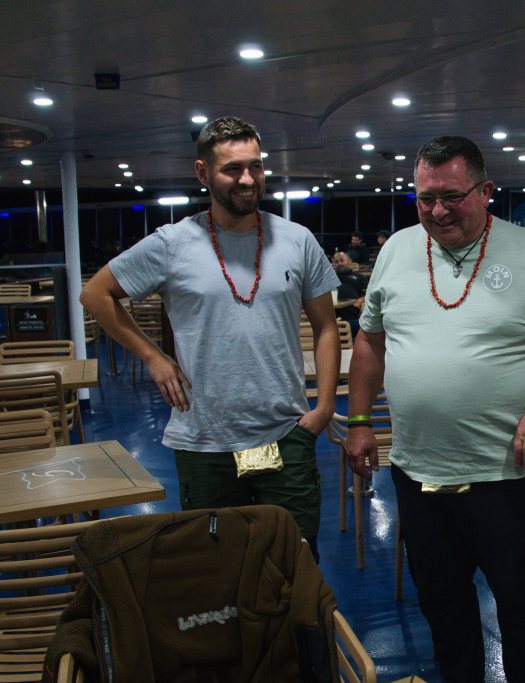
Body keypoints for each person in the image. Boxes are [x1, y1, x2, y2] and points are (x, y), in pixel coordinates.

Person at [346, 135, 525, 682]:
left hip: (508, 477)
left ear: (485, 191)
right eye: (425, 198)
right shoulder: (396, 251)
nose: (437, 211)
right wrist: (360, 421)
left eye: (452, 197)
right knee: (444, 610)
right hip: (419, 476)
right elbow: (370, 342)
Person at [80, 116, 340, 560]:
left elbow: (327, 327)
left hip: (284, 435)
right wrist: (153, 356)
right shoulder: (172, 243)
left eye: (255, 166)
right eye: (232, 169)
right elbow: (95, 294)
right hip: (205, 443)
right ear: (203, 173)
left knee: (295, 561)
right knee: (217, 568)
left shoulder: (297, 240)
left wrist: (324, 408)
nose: (247, 179)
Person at [330, 250, 367, 324]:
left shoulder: (359, 277)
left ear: (349, 261)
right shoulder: (330, 279)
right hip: (332, 313)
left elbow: (368, 293)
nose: (339, 263)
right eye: (336, 262)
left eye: (342, 260)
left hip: (352, 311)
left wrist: (360, 301)